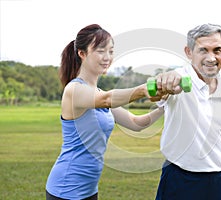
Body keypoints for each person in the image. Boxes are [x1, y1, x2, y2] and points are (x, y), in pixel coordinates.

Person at [45, 24, 177, 200]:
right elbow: (107, 99)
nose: (107, 57)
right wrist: (142, 90)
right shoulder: (74, 90)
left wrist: (166, 104)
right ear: (82, 53)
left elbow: (137, 124)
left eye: (111, 51)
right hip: (65, 189)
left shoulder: (98, 93)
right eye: (100, 51)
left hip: (89, 190)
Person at [154, 24, 221, 200]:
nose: (211, 57)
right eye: (203, 50)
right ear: (189, 52)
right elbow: (157, 94)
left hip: (220, 180)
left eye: (217, 50)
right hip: (180, 179)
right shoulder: (176, 79)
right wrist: (162, 84)